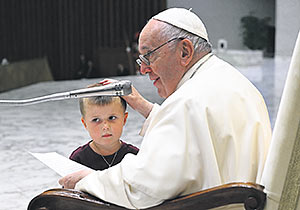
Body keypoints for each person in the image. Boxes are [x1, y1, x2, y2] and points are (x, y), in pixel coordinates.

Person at [59, 8, 271, 209]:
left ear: (185, 51)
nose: (143, 69)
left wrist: (90, 180)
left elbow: (142, 189)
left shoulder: (187, 101)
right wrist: (144, 107)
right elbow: (201, 135)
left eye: (149, 55)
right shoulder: (228, 79)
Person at [69, 86, 139, 170]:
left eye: (112, 118)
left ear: (124, 119)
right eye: (96, 120)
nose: (105, 127)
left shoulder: (135, 156)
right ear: (85, 124)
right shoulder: (78, 159)